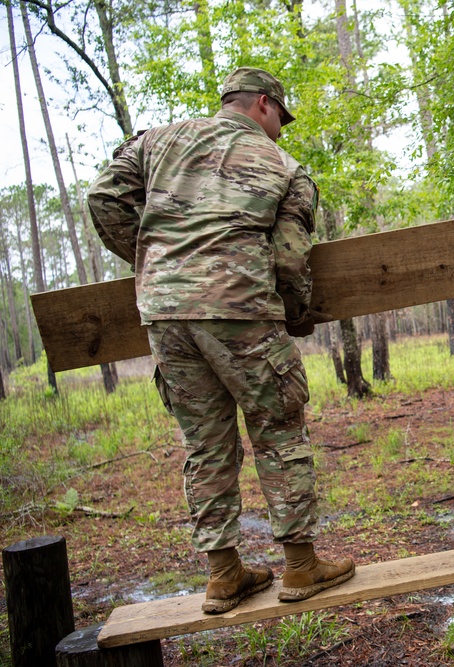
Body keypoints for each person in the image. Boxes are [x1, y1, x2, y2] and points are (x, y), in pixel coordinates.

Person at [87, 67, 355, 613]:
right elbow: (288, 256)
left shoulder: (157, 141)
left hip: (165, 317)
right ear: (262, 104)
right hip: (241, 311)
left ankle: (224, 574)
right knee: (279, 429)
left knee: (204, 444)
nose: (282, 127)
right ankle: (302, 567)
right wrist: (294, 311)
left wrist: (156, 261)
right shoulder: (287, 169)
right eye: (282, 115)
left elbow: (103, 198)